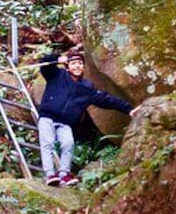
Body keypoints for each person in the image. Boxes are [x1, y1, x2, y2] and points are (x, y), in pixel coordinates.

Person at [38, 49, 138, 187]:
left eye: (80, 63)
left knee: (68, 143)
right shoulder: (56, 75)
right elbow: (44, 64)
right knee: (47, 143)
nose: (77, 66)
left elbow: (107, 99)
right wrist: (56, 58)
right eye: (73, 63)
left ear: (83, 67)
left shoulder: (87, 88)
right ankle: (49, 174)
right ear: (67, 66)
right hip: (47, 116)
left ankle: (64, 174)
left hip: (66, 122)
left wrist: (128, 109)